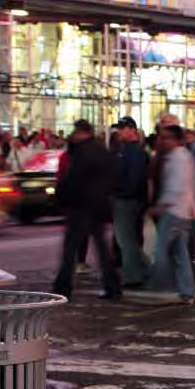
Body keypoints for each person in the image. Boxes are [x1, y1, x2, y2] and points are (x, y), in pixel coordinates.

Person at [52, 120, 121, 300]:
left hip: (81, 205)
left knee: (70, 249)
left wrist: (62, 198)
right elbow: (112, 178)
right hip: (98, 205)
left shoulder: (82, 153)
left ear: (82, 132)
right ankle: (112, 285)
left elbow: (73, 180)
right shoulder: (102, 151)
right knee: (102, 248)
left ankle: (63, 286)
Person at [146, 125, 195, 304]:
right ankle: (187, 291)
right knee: (180, 253)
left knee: (161, 251)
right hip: (185, 211)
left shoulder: (177, 158)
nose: (163, 140)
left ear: (176, 139)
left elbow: (174, 187)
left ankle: (160, 281)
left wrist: (160, 206)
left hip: (173, 211)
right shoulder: (183, 156)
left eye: (167, 137)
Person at [111, 117, 152, 287]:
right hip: (128, 198)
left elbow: (135, 178)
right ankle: (143, 269)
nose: (119, 132)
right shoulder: (129, 149)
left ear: (131, 129)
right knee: (127, 239)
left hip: (127, 200)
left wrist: (122, 193)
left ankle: (134, 275)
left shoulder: (133, 151)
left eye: (122, 129)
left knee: (126, 239)